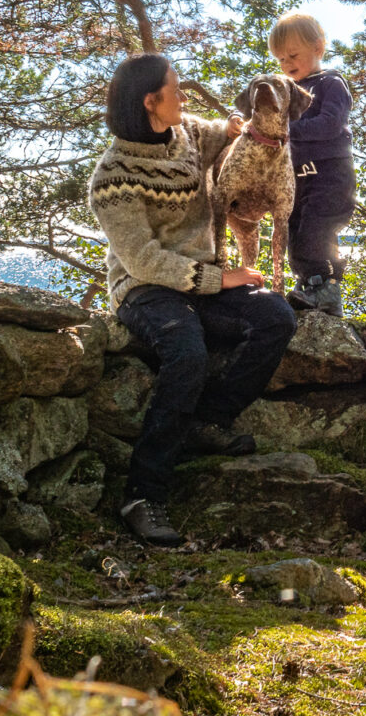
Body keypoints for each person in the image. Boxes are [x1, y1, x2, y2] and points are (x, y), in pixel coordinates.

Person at [89, 54, 297, 547]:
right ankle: (143, 495)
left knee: (276, 318)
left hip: (203, 279)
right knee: (186, 350)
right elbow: (142, 258)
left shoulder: (186, 135)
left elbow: (226, 133)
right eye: (175, 90)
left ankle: (210, 420)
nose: (184, 97)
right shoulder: (113, 175)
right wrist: (216, 280)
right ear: (150, 102)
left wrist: (234, 129)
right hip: (145, 289)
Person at [268, 11, 356, 318]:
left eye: (293, 54)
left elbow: (330, 124)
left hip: (331, 178)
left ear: (318, 47)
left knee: (316, 232)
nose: (287, 63)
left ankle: (325, 287)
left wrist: (290, 131)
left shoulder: (330, 84)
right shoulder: (285, 93)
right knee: (293, 232)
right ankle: (313, 289)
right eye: (280, 59)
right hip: (299, 181)